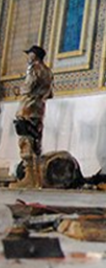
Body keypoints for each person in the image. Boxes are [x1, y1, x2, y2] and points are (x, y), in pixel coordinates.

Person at [11, 46, 53, 189]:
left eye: (29, 54)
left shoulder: (34, 69)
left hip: (27, 108)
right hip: (39, 110)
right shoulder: (48, 71)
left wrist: (19, 90)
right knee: (36, 142)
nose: (28, 57)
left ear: (34, 55)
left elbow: (28, 87)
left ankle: (29, 178)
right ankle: (37, 180)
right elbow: (50, 93)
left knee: (25, 140)